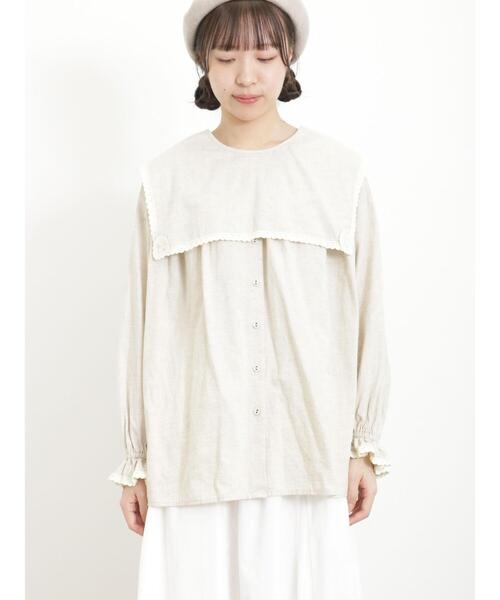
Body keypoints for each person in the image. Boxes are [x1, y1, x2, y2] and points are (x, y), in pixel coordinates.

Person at [108, 1, 392, 598]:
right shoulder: (167, 181)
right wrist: (136, 459)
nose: (246, 76)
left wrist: (363, 445)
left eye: (264, 56)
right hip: (196, 454)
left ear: (288, 61)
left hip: (307, 453)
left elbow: (368, 314)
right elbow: (139, 325)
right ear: (202, 62)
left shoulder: (339, 175)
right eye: (226, 56)